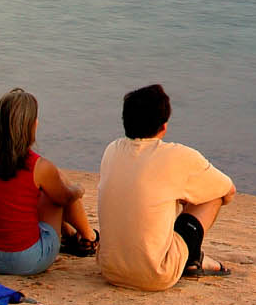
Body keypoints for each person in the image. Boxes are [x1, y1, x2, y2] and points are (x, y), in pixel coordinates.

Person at [95, 83, 236, 289]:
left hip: (109, 269)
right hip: (156, 274)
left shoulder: (112, 150)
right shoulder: (178, 156)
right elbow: (228, 190)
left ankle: (185, 254)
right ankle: (192, 258)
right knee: (213, 196)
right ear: (164, 126)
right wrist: (188, 197)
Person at [0, 88, 97, 276]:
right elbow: (65, 198)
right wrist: (79, 189)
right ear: (31, 125)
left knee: (38, 188)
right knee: (57, 186)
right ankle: (89, 237)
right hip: (23, 259)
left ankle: (71, 237)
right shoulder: (38, 166)